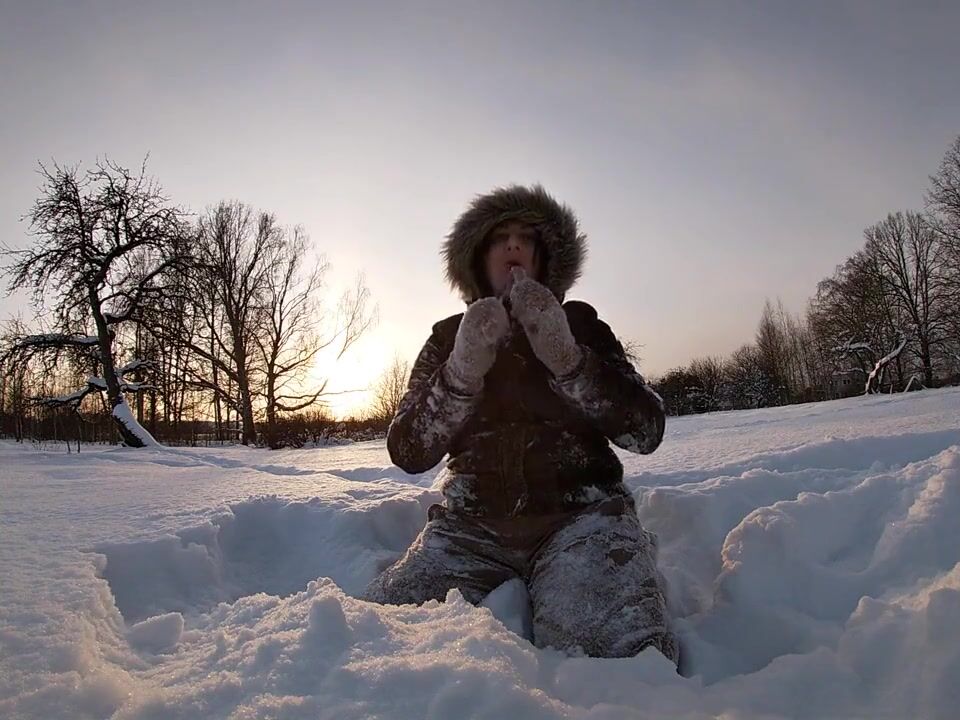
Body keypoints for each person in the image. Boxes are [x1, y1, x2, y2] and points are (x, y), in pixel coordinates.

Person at [362, 184, 678, 663]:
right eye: (499, 237)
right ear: (477, 260)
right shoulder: (446, 338)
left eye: (525, 237)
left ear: (544, 259)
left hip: (584, 519)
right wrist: (459, 373)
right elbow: (408, 450)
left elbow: (646, 430)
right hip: (468, 529)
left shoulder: (583, 326)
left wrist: (570, 361)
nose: (513, 244)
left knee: (618, 663)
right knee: (378, 646)